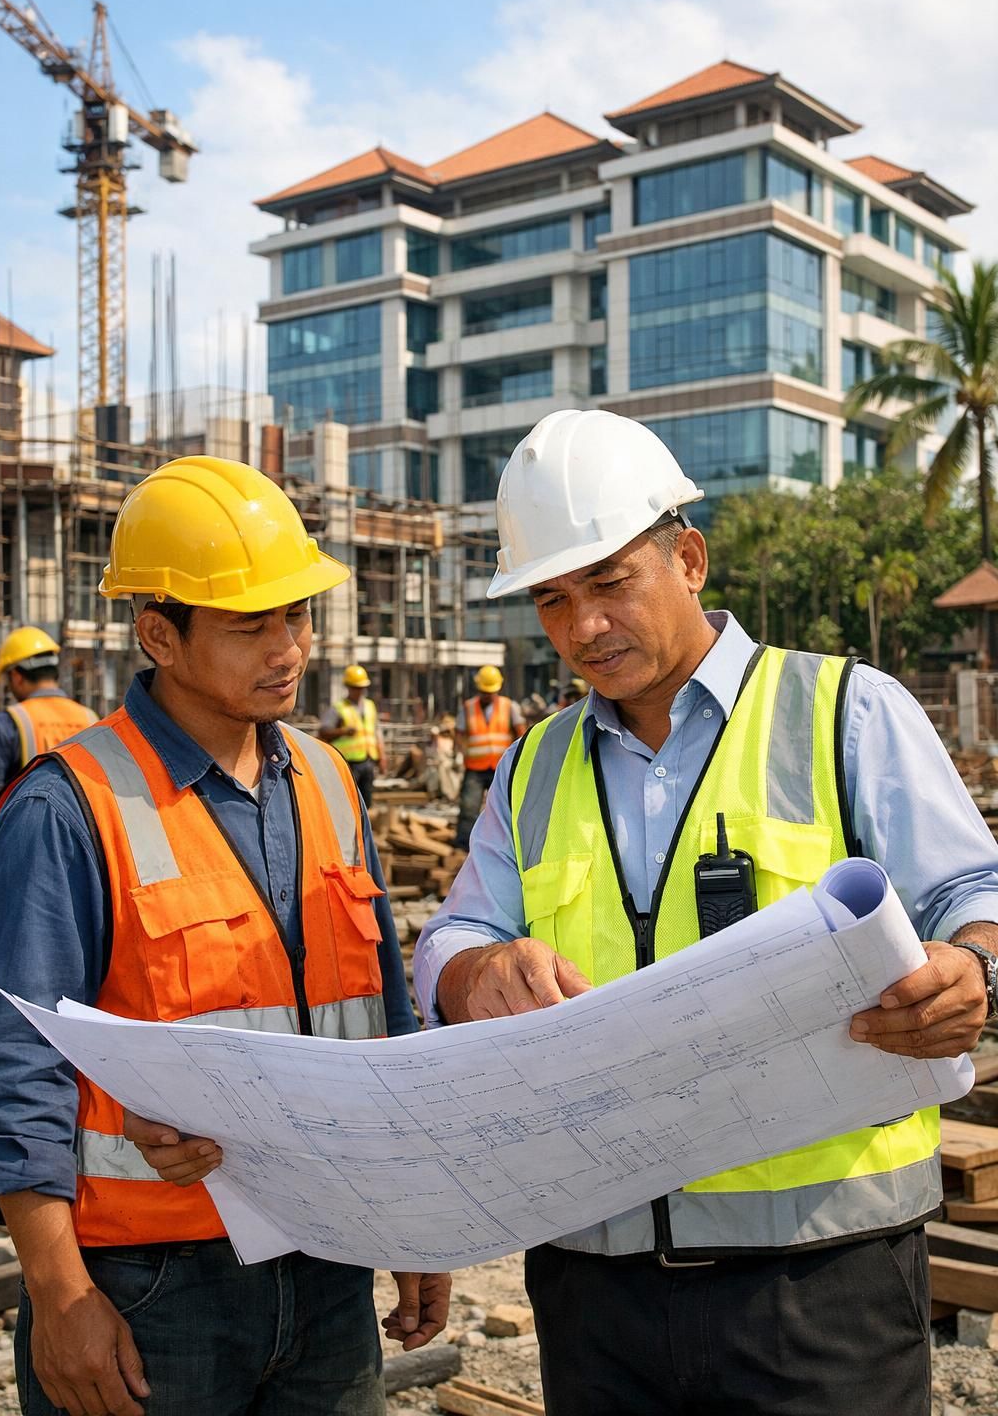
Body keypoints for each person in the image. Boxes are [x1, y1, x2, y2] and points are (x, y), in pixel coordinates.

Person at [414, 408, 998, 1416]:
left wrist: (973, 966)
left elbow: (972, 895)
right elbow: (456, 936)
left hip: (822, 1280)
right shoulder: (532, 765)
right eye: (552, 598)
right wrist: (472, 973)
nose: (582, 628)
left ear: (687, 560)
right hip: (594, 1287)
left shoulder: (843, 712)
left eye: (609, 582)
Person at [0, 456, 449, 1416]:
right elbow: (16, 1071)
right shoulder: (69, 807)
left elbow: (383, 1026)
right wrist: (61, 1297)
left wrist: (406, 1223)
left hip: (328, 1267)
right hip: (150, 1288)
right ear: (160, 634)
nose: (289, 648)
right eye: (249, 624)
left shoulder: (329, 781)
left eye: (298, 616)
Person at [0, 627, 95, 845]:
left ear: (16, 676)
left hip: (25, 846)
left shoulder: (9, 722)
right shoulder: (90, 719)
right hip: (84, 847)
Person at [454, 666, 524, 851]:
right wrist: (458, 753)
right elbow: (459, 734)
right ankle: (464, 846)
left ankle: (508, 846)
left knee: (506, 808)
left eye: (490, 691)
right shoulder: (468, 707)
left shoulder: (509, 707)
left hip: (502, 767)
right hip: (475, 767)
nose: (487, 695)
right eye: (484, 691)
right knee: (469, 807)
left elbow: (521, 732)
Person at [320, 663, 385, 811]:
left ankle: (363, 824)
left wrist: (382, 756)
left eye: (362, 687)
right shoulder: (338, 708)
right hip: (348, 763)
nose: (359, 691)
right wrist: (343, 731)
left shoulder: (370, 706)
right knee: (348, 800)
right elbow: (323, 732)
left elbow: (376, 731)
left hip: (368, 760)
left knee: (366, 802)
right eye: (356, 688)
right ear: (348, 687)